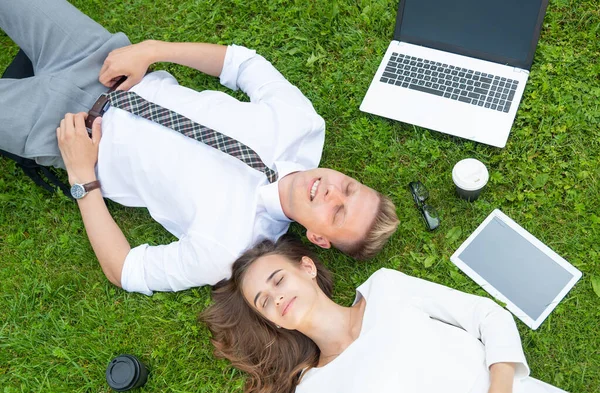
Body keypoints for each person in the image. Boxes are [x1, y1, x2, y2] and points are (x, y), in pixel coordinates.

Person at [0, 0, 399, 295]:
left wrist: (82, 177)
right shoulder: (303, 125)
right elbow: (244, 64)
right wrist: (154, 50)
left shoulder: (226, 248)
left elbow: (126, 270)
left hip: (66, 129)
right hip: (101, 60)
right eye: (348, 187)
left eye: (338, 212)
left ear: (318, 239)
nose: (333, 192)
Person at [201, 236, 568, 393]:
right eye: (264, 302)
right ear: (275, 323)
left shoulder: (385, 289)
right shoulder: (314, 388)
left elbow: (487, 316)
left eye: (277, 280)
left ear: (308, 268)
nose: (276, 298)